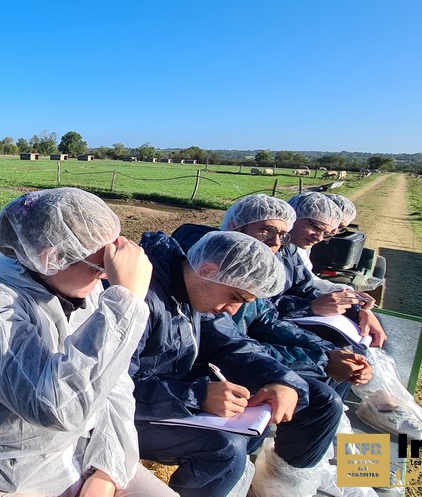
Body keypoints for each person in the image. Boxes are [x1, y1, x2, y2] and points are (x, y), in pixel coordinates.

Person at [0, 188, 176, 497]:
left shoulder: (89, 293)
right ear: (50, 258)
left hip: (69, 460)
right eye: (100, 267)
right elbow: (54, 407)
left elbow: (114, 385)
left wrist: (106, 470)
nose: (106, 277)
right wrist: (125, 303)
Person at [132, 230, 342, 497]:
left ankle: (279, 486)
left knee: (307, 399)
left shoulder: (191, 291)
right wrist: (197, 396)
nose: (233, 310)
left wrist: (280, 379)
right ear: (208, 269)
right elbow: (114, 385)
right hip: (130, 408)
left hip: (164, 392)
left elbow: (231, 343)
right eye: (234, 297)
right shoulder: (144, 298)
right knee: (224, 447)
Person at [174, 194, 372, 399]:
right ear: (235, 226)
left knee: (337, 376)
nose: (275, 242)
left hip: (244, 351)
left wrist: (328, 349)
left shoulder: (259, 265)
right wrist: (321, 359)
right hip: (214, 366)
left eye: (283, 235)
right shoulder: (216, 274)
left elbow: (267, 316)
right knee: (322, 398)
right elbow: (225, 342)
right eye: (266, 230)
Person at [276, 192, 386, 347]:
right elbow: (260, 310)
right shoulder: (262, 253)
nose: (321, 238)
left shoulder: (290, 250)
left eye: (333, 230)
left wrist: (355, 305)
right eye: (316, 226)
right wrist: (309, 308)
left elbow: (305, 284)